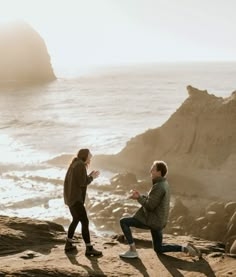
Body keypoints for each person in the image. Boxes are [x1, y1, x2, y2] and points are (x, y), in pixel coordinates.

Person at [119, 160, 201, 259]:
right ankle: (185, 248)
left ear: (159, 172)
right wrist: (140, 196)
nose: (150, 171)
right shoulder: (164, 183)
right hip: (159, 221)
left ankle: (132, 250)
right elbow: (154, 201)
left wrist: (138, 198)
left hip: (153, 221)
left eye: (153, 169)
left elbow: (150, 206)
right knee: (158, 248)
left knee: (124, 222)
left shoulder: (159, 186)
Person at [64, 148, 102, 256]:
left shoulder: (75, 164)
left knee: (76, 219)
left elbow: (79, 180)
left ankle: (68, 244)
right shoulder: (80, 165)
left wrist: (89, 175)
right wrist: (92, 177)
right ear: (85, 156)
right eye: (90, 155)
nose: (91, 156)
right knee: (85, 222)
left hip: (70, 198)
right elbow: (82, 182)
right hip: (76, 199)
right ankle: (89, 248)